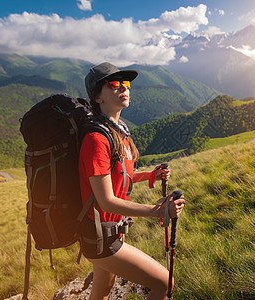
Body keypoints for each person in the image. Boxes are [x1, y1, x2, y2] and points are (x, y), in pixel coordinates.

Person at [78, 62, 185, 300]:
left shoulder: (119, 133)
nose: (123, 88)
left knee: (102, 292)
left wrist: (149, 175)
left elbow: (116, 178)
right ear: (97, 97)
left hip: (109, 233)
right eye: (114, 84)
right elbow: (106, 201)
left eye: (125, 84)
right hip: (100, 237)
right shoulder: (97, 139)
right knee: (164, 283)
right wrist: (159, 211)